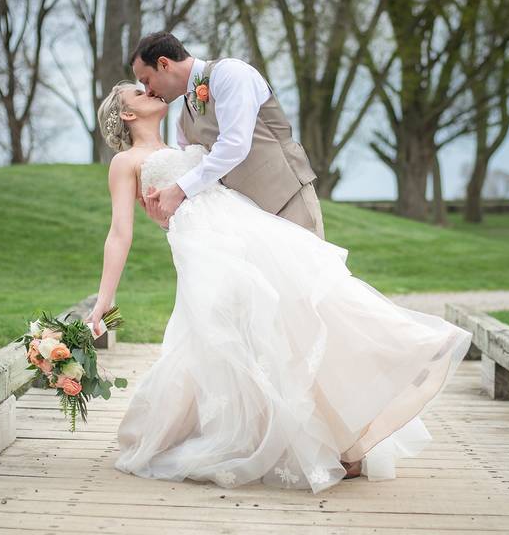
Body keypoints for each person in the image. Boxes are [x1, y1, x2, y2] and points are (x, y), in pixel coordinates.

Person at [83, 79, 472, 494]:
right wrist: (105, 299)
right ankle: (275, 438)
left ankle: (365, 404)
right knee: (229, 336)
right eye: (139, 94)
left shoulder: (185, 143)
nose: (152, 92)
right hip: (204, 250)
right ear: (127, 114)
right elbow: (119, 233)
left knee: (302, 310)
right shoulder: (126, 162)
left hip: (250, 231)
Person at [129, 31, 325, 240]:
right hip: (244, 223)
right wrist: (168, 217)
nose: (147, 91)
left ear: (164, 64)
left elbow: (235, 145)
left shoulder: (230, 73)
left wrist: (178, 191)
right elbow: (200, 178)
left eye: (146, 80)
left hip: (288, 202)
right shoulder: (183, 120)